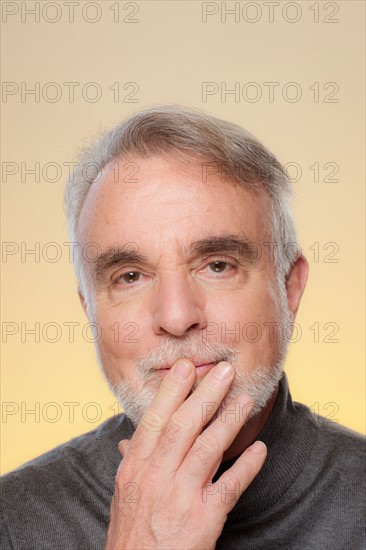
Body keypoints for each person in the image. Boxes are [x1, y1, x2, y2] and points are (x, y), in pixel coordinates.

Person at [1, 105, 364, 549]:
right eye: (130, 276)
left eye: (217, 265)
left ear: (289, 287)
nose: (176, 318)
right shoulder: (12, 523)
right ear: (90, 311)